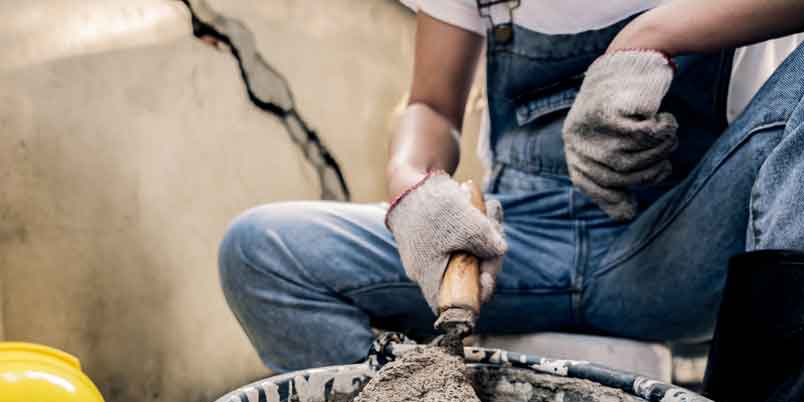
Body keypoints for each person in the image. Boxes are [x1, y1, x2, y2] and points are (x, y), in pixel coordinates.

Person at [218, 0, 804, 374]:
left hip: (672, 245)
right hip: (510, 247)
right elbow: (430, 106)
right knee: (260, 250)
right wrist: (414, 192)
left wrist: (649, 37)